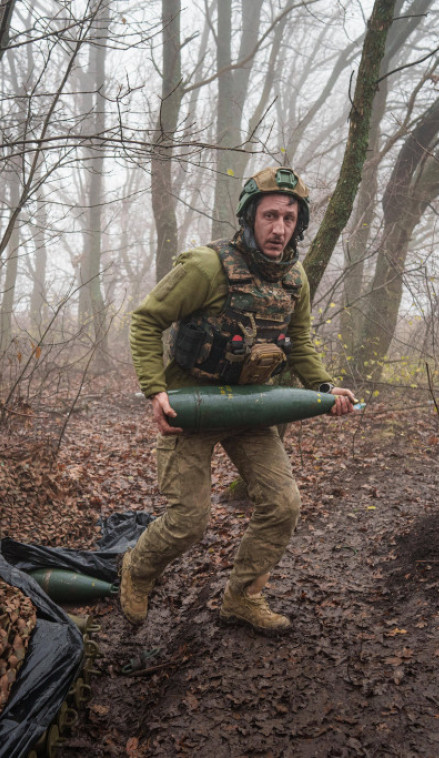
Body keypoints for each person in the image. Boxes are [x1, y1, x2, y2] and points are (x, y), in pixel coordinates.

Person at [123, 166, 357, 635]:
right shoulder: (206, 267)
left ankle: (243, 598)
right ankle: (138, 569)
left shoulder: (294, 279)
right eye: (270, 216)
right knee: (189, 521)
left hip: (252, 407)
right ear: (250, 217)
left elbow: (302, 340)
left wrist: (325, 388)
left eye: (290, 218)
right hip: (192, 405)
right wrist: (156, 391)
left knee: (283, 503)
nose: (280, 228)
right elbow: (146, 321)